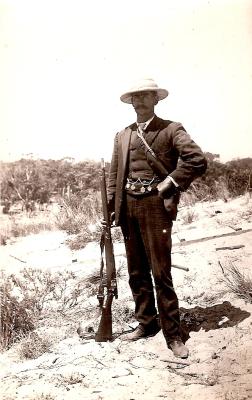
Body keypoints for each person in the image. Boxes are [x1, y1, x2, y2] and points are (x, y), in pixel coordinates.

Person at [107, 78, 207, 358]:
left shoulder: (171, 129)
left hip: (156, 207)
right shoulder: (122, 135)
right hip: (128, 208)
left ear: (156, 100)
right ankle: (147, 324)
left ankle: (173, 335)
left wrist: (172, 182)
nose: (138, 102)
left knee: (160, 272)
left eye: (144, 97)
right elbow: (116, 175)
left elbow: (197, 160)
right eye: (134, 98)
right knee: (136, 271)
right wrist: (111, 207)